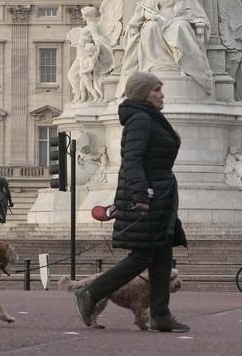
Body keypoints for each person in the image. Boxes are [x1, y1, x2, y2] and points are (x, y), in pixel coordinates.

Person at [74, 72, 189, 333]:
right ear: (142, 93)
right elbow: (132, 160)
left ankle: (161, 314)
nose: (162, 94)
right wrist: (139, 194)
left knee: (162, 255)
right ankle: (90, 292)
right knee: (142, 256)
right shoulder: (140, 119)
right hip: (147, 195)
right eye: (156, 89)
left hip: (159, 195)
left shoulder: (149, 118)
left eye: (161, 89)